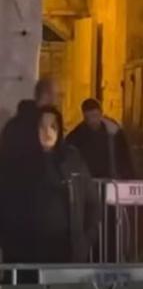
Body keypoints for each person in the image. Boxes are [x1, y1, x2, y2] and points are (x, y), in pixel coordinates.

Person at [0, 106, 100, 264]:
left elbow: (92, 202)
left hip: (67, 250)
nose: (48, 132)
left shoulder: (72, 159)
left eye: (53, 126)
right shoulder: (19, 162)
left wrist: (86, 239)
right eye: (42, 127)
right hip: (27, 252)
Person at [66, 98, 134, 179]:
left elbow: (125, 159)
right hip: (87, 180)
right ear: (84, 117)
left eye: (95, 116)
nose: (93, 121)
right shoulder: (76, 136)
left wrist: (128, 178)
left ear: (101, 114)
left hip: (111, 179)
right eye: (88, 117)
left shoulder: (114, 133)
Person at [0, 78, 59, 160]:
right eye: (58, 95)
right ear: (47, 95)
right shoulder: (45, 127)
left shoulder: (12, 125)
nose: (59, 100)